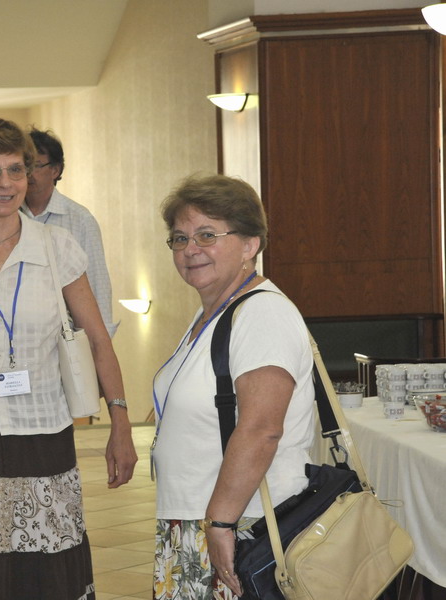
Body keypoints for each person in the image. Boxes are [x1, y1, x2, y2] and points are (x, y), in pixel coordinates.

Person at [0, 118, 137, 600]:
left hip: (41, 429)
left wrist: (120, 424)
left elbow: (99, 342)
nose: (5, 183)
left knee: (47, 559)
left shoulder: (58, 248)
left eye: (15, 170)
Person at [151, 174, 316, 599]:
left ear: (250, 244)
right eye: (180, 238)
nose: (191, 249)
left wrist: (221, 522)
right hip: (200, 519)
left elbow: (262, 428)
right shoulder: (216, 311)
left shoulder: (262, 315)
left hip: (243, 524)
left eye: (207, 235)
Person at [23, 127, 117, 336]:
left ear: (55, 170)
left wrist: (100, 343)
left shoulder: (80, 220)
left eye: (36, 166)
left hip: (66, 337)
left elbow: (97, 285)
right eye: (23, 166)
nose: (28, 174)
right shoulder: (9, 217)